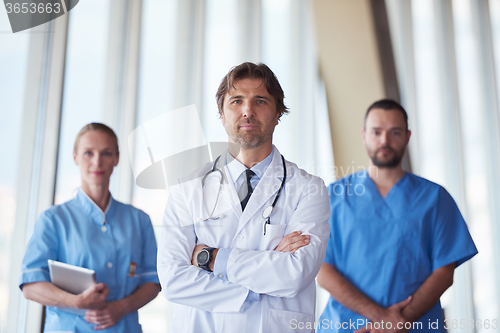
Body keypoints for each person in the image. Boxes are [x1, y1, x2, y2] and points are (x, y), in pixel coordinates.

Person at [157, 62, 331, 333]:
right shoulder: (187, 189)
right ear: (222, 113)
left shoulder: (309, 188)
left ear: (278, 113)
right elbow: (173, 280)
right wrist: (257, 286)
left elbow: (295, 275)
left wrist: (211, 258)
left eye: (260, 101)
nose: (248, 111)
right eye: (237, 101)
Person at [317, 99, 478, 333]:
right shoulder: (334, 196)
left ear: (407, 136)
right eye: (376, 132)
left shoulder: (435, 198)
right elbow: (322, 270)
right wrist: (381, 319)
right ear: (364, 135)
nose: (385, 140)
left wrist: (400, 321)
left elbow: (444, 272)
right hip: (347, 327)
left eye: (394, 132)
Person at [19, 123, 161, 332]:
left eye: (106, 153)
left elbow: (153, 281)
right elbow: (31, 285)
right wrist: (75, 301)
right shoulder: (53, 220)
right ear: (75, 157)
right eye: (88, 153)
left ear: (117, 158)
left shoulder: (139, 220)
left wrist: (121, 307)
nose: (97, 161)